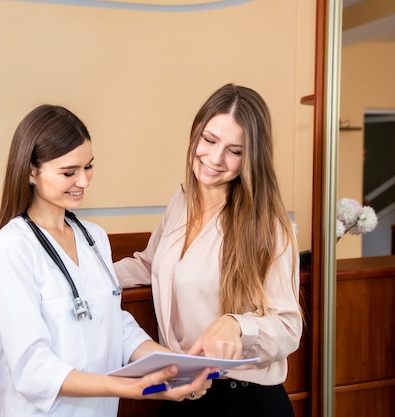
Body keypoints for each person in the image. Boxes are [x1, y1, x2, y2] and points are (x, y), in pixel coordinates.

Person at [0, 104, 212, 417]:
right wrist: (126, 387)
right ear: (31, 171)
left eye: (88, 167)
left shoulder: (94, 238)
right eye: (68, 172)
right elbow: (32, 368)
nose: (84, 181)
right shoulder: (10, 251)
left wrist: (174, 365)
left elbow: (114, 324)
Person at [114, 84, 303, 417]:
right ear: (195, 135)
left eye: (235, 150)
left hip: (244, 402)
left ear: (251, 158)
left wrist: (237, 325)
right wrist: (74, 275)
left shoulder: (266, 225)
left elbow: (289, 328)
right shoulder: (181, 201)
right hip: (182, 395)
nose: (216, 159)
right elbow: (147, 265)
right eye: (210, 140)